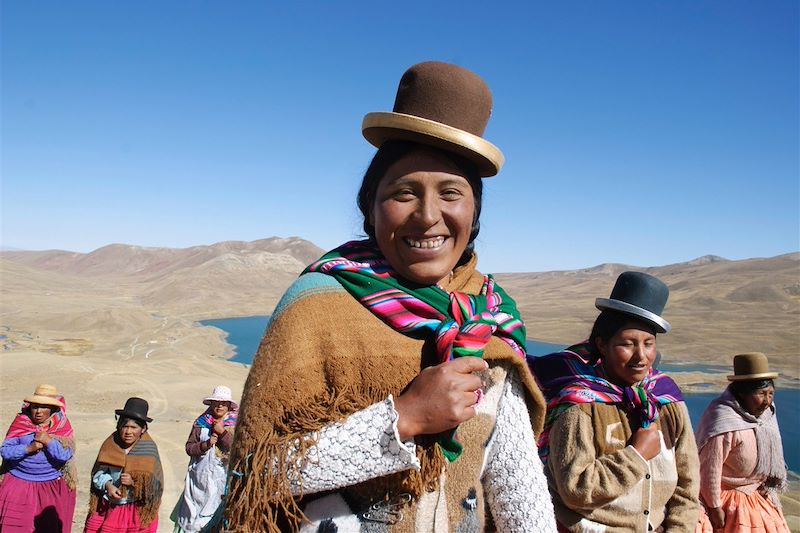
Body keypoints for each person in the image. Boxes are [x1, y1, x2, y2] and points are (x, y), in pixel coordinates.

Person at [225, 61, 556, 532]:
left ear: (474, 210)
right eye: (404, 192)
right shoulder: (317, 306)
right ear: (371, 206)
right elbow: (259, 472)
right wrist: (404, 417)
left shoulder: (490, 317)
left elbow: (516, 484)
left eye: (451, 192)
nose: (427, 216)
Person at [529, 271, 700, 532]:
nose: (641, 356)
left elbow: (687, 485)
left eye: (649, 344)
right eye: (628, 344)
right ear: (602, 344)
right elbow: (575, 489)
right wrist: (637, 456)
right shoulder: (580, 404)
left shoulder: (666, 399)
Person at [695, 352, 789, 532]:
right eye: (761, 394)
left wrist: (766, 484)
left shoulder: (766, 416)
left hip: (756, 494)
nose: (767, 401)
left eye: (771, 394)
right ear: (741, 393)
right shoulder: (723, 421)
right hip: (727, 499)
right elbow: (709, 469)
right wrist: (714, 508)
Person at [0, 384, 77, 532]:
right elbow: (5, 451)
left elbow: (65, 455)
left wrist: (49, 441)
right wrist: (28, 448)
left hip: (50, 486)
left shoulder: (62, 426)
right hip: (18, 483)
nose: (38, 411)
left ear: (53, 409)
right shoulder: (21, 422)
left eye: (44, 407)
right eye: (35, 407)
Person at [84, 397, 163, 533]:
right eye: (125, 426)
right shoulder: (110, 445)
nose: (128, 432)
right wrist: (108, 485)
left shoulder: (149, 450)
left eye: (134, 427)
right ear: (119, 426)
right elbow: (99, 473)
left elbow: (154, 487)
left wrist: (134, 483)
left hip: (135, 510)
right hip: (108, 506)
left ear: (143, 429)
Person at [173, 385, 238, 533]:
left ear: (229, 405)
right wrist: (205, 445)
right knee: (191, 517)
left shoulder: (235, 424)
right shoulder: (200, 423)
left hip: (221, 480)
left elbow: (235, 449)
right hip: (197, 480)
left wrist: (222, 433)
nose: (219, 405)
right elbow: (189, 448)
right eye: (216, 402)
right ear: (211, 404)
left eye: (223, 403)